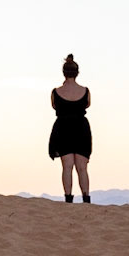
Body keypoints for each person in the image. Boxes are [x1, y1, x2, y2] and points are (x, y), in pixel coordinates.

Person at [49, 54, 92, 202]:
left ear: (64, 72)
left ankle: (68, 198)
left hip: (63, 129)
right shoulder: (85, 91)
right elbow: (87, 104)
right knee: (82, 168)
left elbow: (54, 106)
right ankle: (86, 198)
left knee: (67, 167)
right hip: (81, 129)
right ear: (77, 73)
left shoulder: (56, 92)